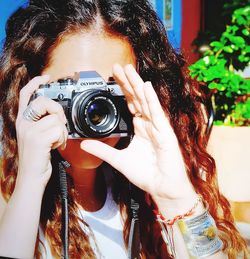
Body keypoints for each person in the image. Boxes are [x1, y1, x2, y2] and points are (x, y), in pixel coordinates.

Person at [0, 0, 248, 258]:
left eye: (110, 89)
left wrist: (175, 197)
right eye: (71, 88)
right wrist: (29, 185)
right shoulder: (10, 197)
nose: (93, 109)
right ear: (32, 90)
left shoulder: (148, 190)